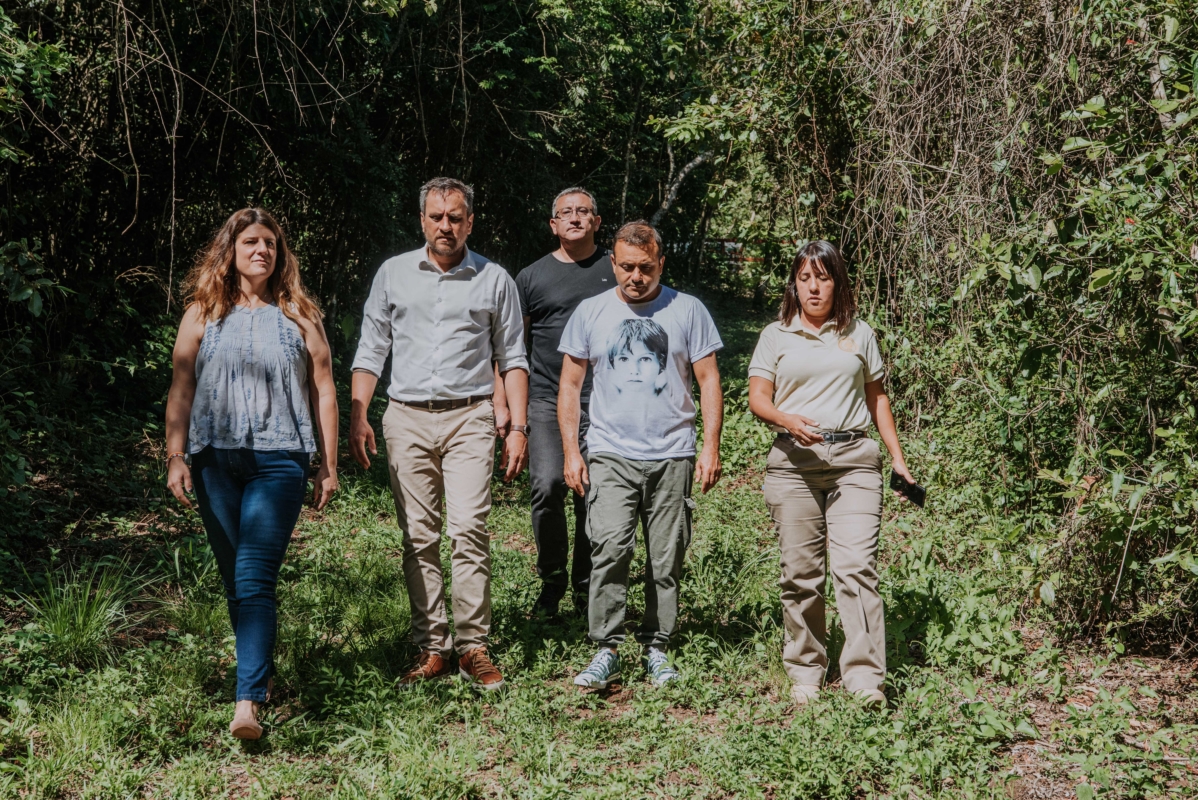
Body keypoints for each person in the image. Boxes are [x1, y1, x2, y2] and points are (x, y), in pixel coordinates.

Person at [165, 208, 339, 740]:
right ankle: (256, 671)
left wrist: (327, 466)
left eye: (269, 243)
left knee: (253, 578)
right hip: (215, 459)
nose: (261, 250)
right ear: (231, 251)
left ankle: (247, 702)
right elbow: (181, 387)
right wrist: (175, 455)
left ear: (280, 253)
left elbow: (324, 390)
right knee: (234, 582)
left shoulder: (300, 314)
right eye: (250, 242)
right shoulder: (202, 313)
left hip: (280, 460)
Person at [350, 177, 529, 692]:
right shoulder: (393, 274)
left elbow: (512, 358)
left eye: (455, 217)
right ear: (422, 220)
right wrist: (359, 414)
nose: (445, 225)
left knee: (469, 530)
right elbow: (370, 352)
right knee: (419, 536)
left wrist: (516, 427)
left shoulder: (495, 279)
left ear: (470, 222)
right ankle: (433, 646)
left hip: (470, 417)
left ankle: (473, 645)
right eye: (436, 216)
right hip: (405, 417)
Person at [746, 240, 915, 708]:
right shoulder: (775, 335)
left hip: (855, 462)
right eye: (805, 278)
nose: (814, 286)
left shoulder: (859, 333)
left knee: (856, 568)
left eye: (823, 277)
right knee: (800, 573)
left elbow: (877, 398)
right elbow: (758, 397)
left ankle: (864, 679)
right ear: (794, 285)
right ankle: (806, 670)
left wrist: (897, 457)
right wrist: (787, 420)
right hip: (792, 466)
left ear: (838, 282)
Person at [558, 220, 724, 689]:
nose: (635, 276)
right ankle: (606, 647)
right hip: (611, 451)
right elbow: (570, 386)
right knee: (609, 546)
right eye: (626, 267)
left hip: (673, 453)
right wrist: (573, 451)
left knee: (665, 556)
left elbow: (709, 380)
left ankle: (657, 646)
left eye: (645, 268)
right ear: (612, 263)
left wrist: (709, 446)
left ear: (660, 264)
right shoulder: (590, 312)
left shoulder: (688, 310)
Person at [508, 187, 613, 616]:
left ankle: (587, 586)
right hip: (548, 397)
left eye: (583, 211)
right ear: (553, 224)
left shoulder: (616, 269)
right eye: (565, 213)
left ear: (596, 222)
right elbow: (514, 347)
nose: (574, 218)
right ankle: (551, 583)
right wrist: (509, 408)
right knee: (549, 484)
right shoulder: (531, 277)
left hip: (605, 399)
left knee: (594, 492)